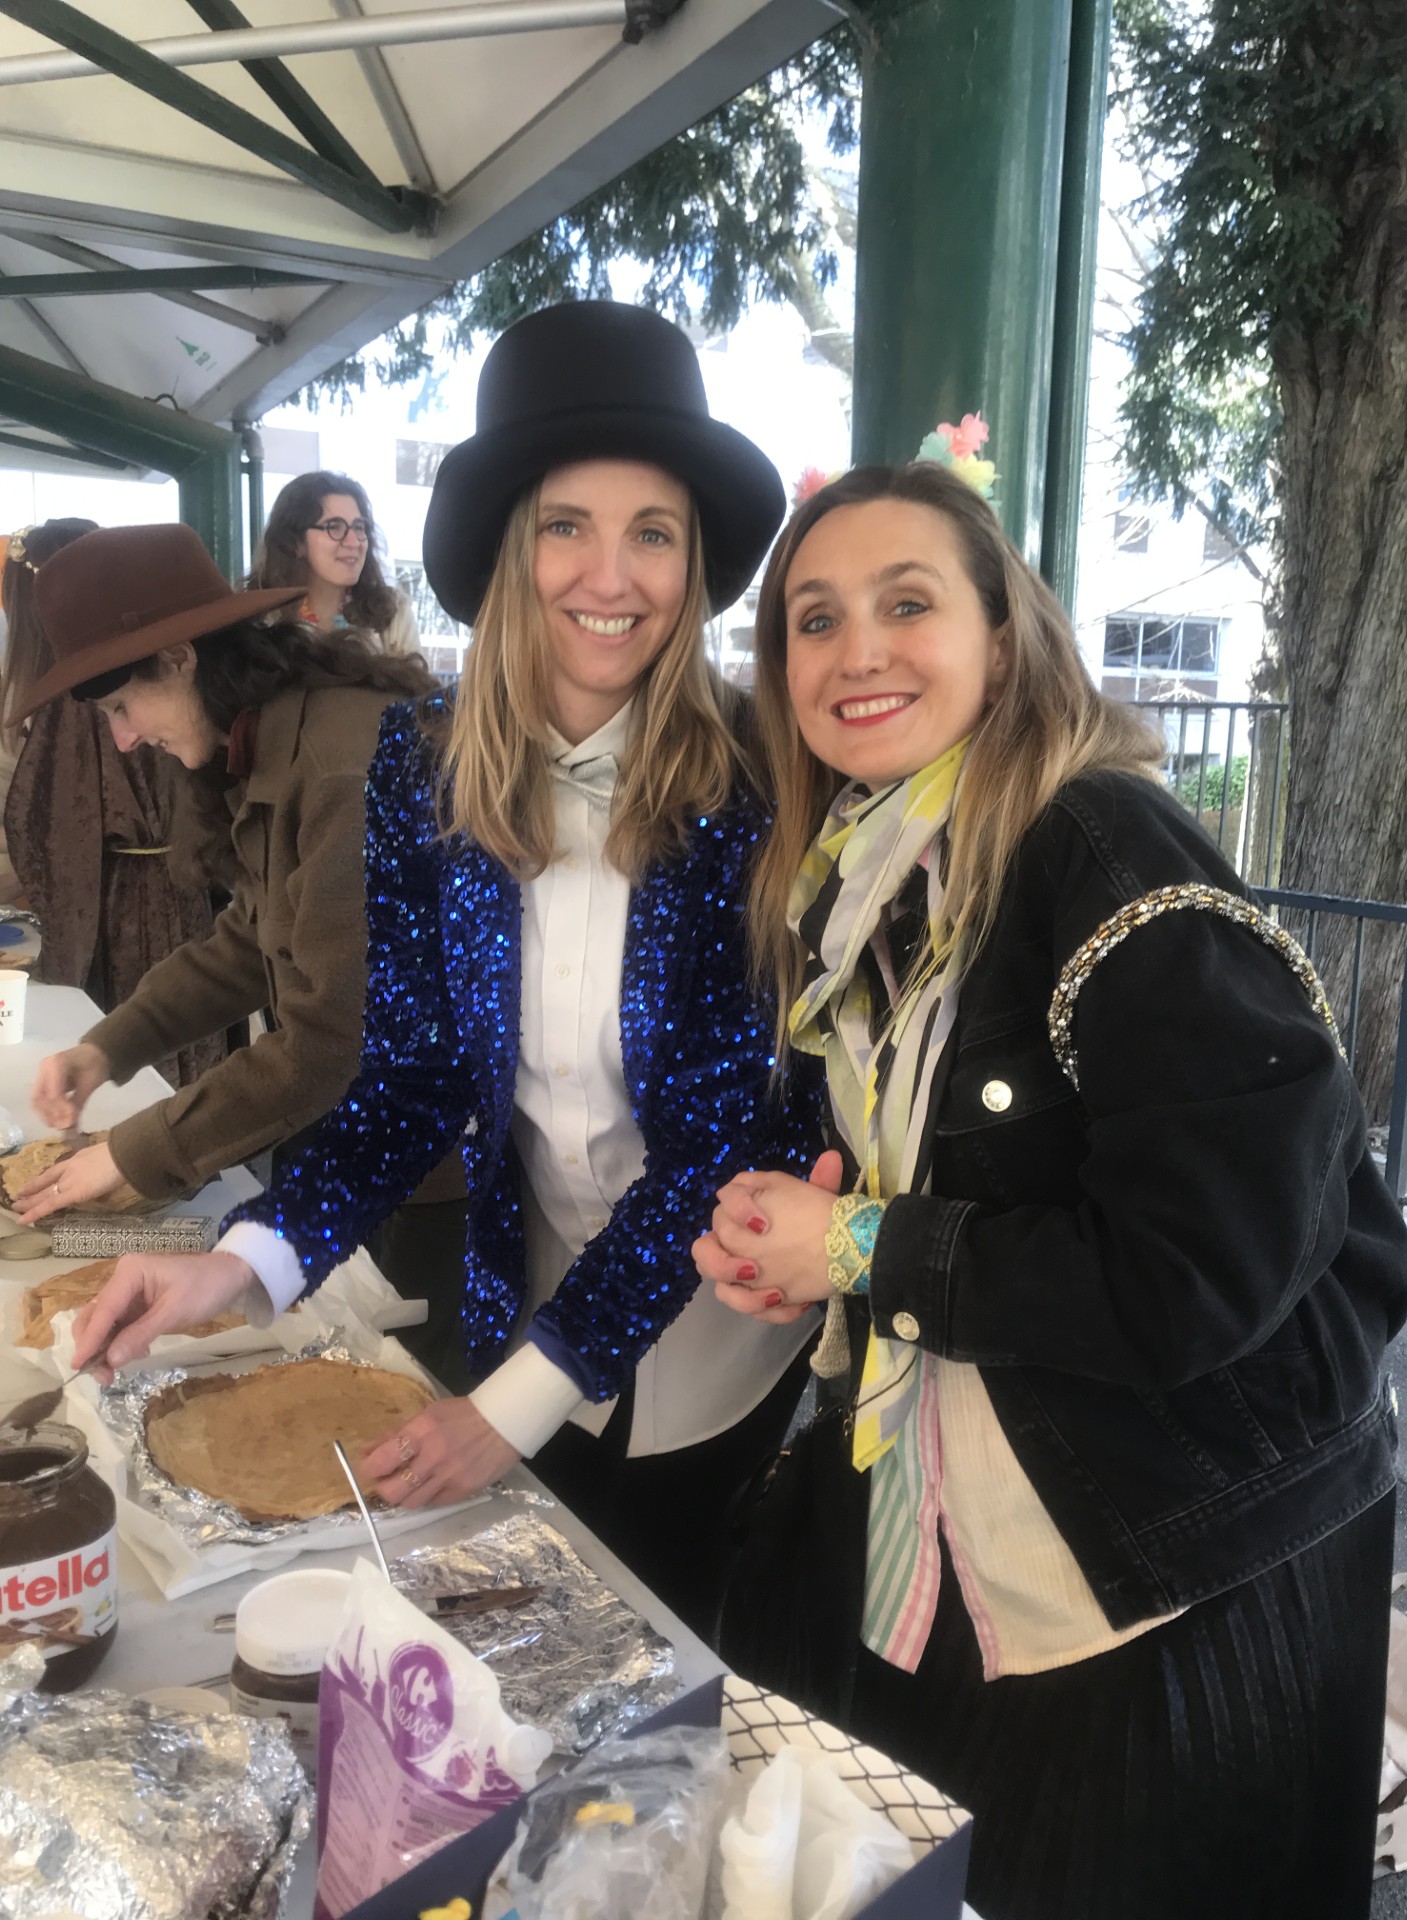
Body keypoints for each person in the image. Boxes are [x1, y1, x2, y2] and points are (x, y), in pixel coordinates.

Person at [693, 459, 1407, 1918]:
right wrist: (821, 1256)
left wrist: (862, 1245)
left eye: (907, 603)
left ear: (1003, 635)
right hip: (981, 1527)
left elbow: (1196, 1269)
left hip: (1178, 1566)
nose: (857, 651)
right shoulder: (873, 873)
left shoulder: (1100, 844)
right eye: (814, 620)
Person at [70, 301, 825, 1637]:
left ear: (695, 560)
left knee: (660, 1640)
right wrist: (242, 1265)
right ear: (511, 549)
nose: (613, 575)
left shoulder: (761, 783)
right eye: (567, 526)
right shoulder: (421, 762)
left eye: (653, 532)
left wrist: (515, 1404)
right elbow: (412, 1075)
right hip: (519, 1307)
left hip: (711, 1341)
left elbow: (717, 1140)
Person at [12, 522, 433, 1222]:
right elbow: (251, 940)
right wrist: (108, 1048)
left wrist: (133, 1155)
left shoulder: (340, 771)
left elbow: (331, 1040)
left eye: (121, 708)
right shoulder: (272, 736)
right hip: (354, 1139)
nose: (124, 740)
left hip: (421, 1169)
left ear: (179, 658)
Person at [1, 519, 223, 1086]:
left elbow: (50, 833)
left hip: (129, 912)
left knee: (149, 1073)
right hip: (179, 903)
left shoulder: (77, 703)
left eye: (121, 712)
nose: (123, 738)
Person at [246, 471, 421, 655]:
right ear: (296, 542)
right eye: (334, 527)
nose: (354, 542)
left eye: (359, 527)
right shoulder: (260, 621)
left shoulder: (392, 616)